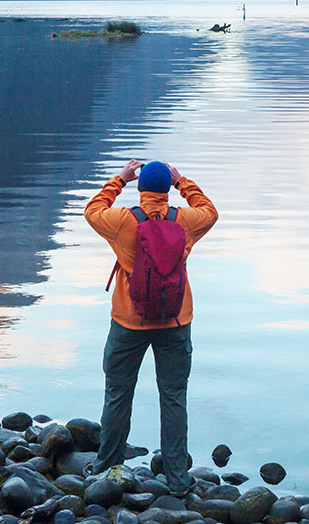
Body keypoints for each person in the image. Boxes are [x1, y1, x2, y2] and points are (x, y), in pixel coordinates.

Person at [84, 159, 218, 496]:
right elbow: (210, 211)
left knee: (118, 392)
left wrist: (120, 180)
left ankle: (107, 465)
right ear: (167, 188)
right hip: (175, 321)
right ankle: (177, 479)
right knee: (173, 397)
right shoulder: (184, 220)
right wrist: (184, 182)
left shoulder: (121, 221)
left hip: (129, 322)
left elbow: (92, 210)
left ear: (141, 188)